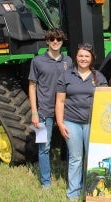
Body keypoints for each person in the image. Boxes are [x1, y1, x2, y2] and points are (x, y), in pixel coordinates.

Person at [55, 42, 108, 200]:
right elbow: (60, 102)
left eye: (87, 56)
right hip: (71, 122)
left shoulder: (99, 77)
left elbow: (107, 101)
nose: (83, 58)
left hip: (93, 123)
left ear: (92, 58)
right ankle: (73, 192)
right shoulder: (66, 76)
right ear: (75, 57)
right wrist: (60, 123)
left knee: (90, 157)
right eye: (80, 55)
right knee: (75, 157)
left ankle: (88, 191)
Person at [28, 28, 72, 189]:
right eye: (52, 39)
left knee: (69, 145)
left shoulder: (68, 61)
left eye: (58, 39)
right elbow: (32, 87)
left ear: (62, 42)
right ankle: (46, 182)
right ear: (47, 41)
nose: (55, 42)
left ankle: (70, 178)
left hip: (66, 111)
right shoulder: (37, 61)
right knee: (44, 147)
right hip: (43, 111)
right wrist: (34, 112)